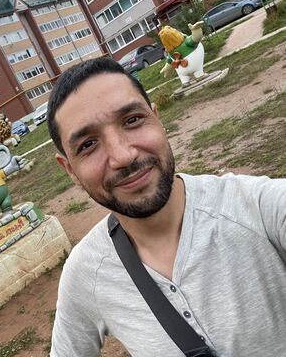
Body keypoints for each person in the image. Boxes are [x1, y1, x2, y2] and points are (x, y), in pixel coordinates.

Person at [47, 57, 286, 356]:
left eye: (132, 120)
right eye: (87, 145)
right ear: (70, 169)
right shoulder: (85, 273)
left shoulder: (257, 209)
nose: (123, 156)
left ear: (157, 119)